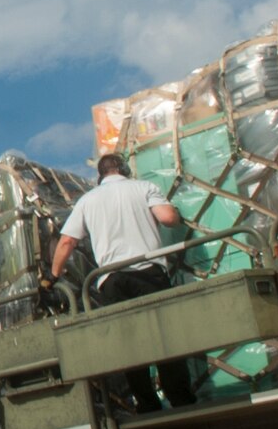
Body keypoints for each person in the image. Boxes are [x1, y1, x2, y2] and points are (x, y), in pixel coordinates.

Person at [47, 153, 196, 412]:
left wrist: (51, 278)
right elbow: (168, 219)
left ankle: (147, 403)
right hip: (149, 272)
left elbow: (67, 242)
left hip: (111, 280)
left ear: (100, 175)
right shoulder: (144, 187)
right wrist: (176, 212)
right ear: (124, 169)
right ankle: (180, 398)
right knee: (164, 335)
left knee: (128, 343)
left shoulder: (87, 200)